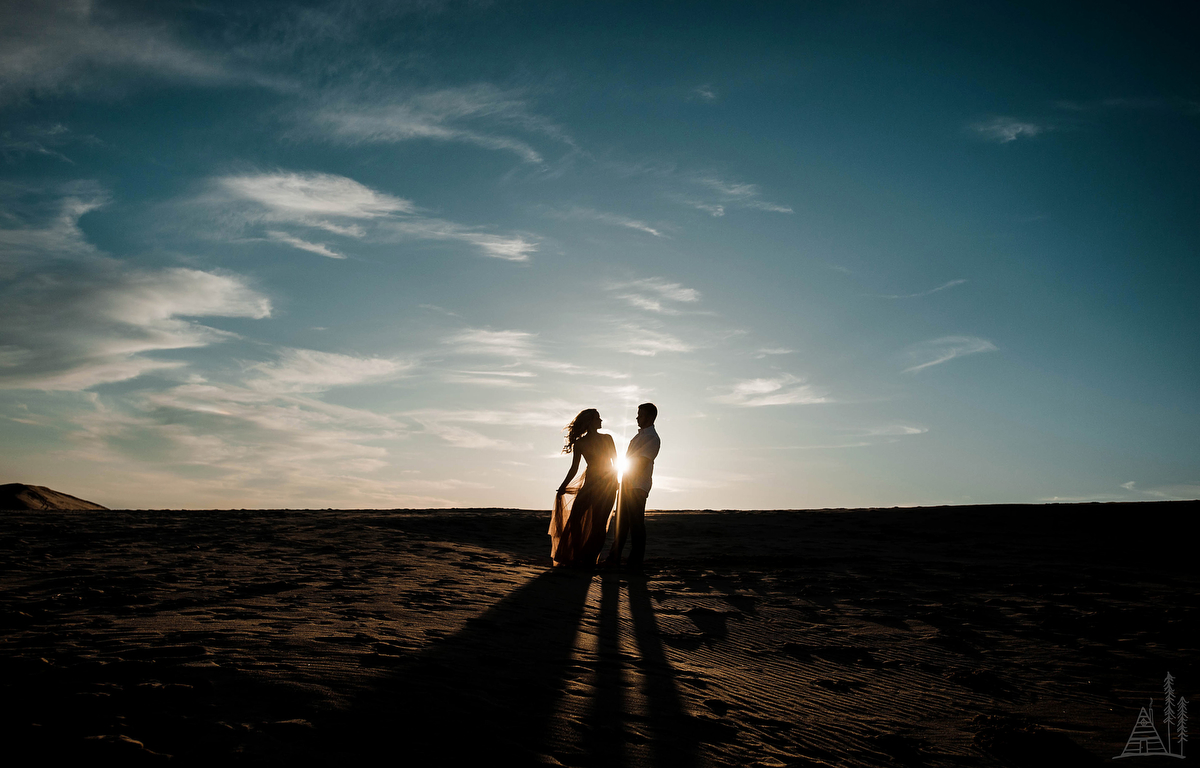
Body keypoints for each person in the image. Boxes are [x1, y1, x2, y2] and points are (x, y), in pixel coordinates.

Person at [549, 408, 618, 567]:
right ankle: (580, 553)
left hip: (607, 485)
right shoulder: (580, 443)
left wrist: (617, 482)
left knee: (598, 523)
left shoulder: (607, 438)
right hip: (591, 484)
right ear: (590, 422)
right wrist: (563, 486)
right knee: (575, 518)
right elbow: (574, 468)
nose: (601, 421)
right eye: (598, 418)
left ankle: (590, 558)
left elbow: (616, 462)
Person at [605, 402, 659, 571]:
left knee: (636, 524)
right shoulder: (636, 437)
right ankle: (615, 557)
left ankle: (635, 562)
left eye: (640, 415)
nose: (637, 417)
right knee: (621, 523)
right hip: (627, 484)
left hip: (637, 486)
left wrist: (626, 481)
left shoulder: (652, 438)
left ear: (649, 417)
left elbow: (641, 462)